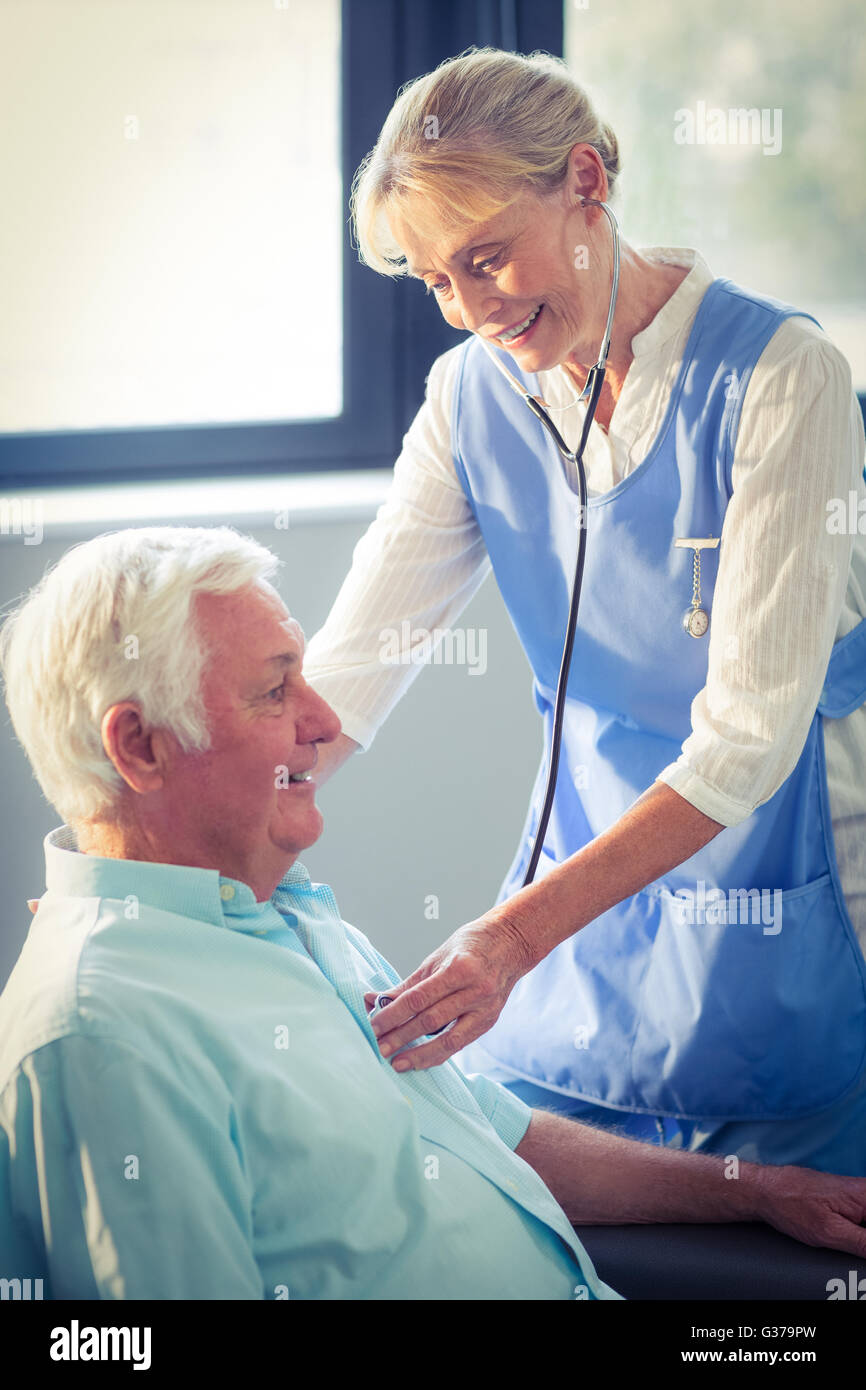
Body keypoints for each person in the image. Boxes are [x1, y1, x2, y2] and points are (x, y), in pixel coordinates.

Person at [1, 526, 865, 1300]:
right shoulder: (98, 1038)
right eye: (274, 692)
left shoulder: (281, 914)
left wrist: (753, 1189)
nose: (324, 720)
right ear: (140, 746)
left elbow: (492, 1135)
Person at [300, 46, 866, 1173]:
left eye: (486, 258)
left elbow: (746, 745)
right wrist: (144, 861)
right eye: (433, 282)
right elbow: (342, 681)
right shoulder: (469, 399)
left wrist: (505, 939)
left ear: (585, 187)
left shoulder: (781, 377)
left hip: (787, 909)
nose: (469, 311)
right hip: (579, 933)